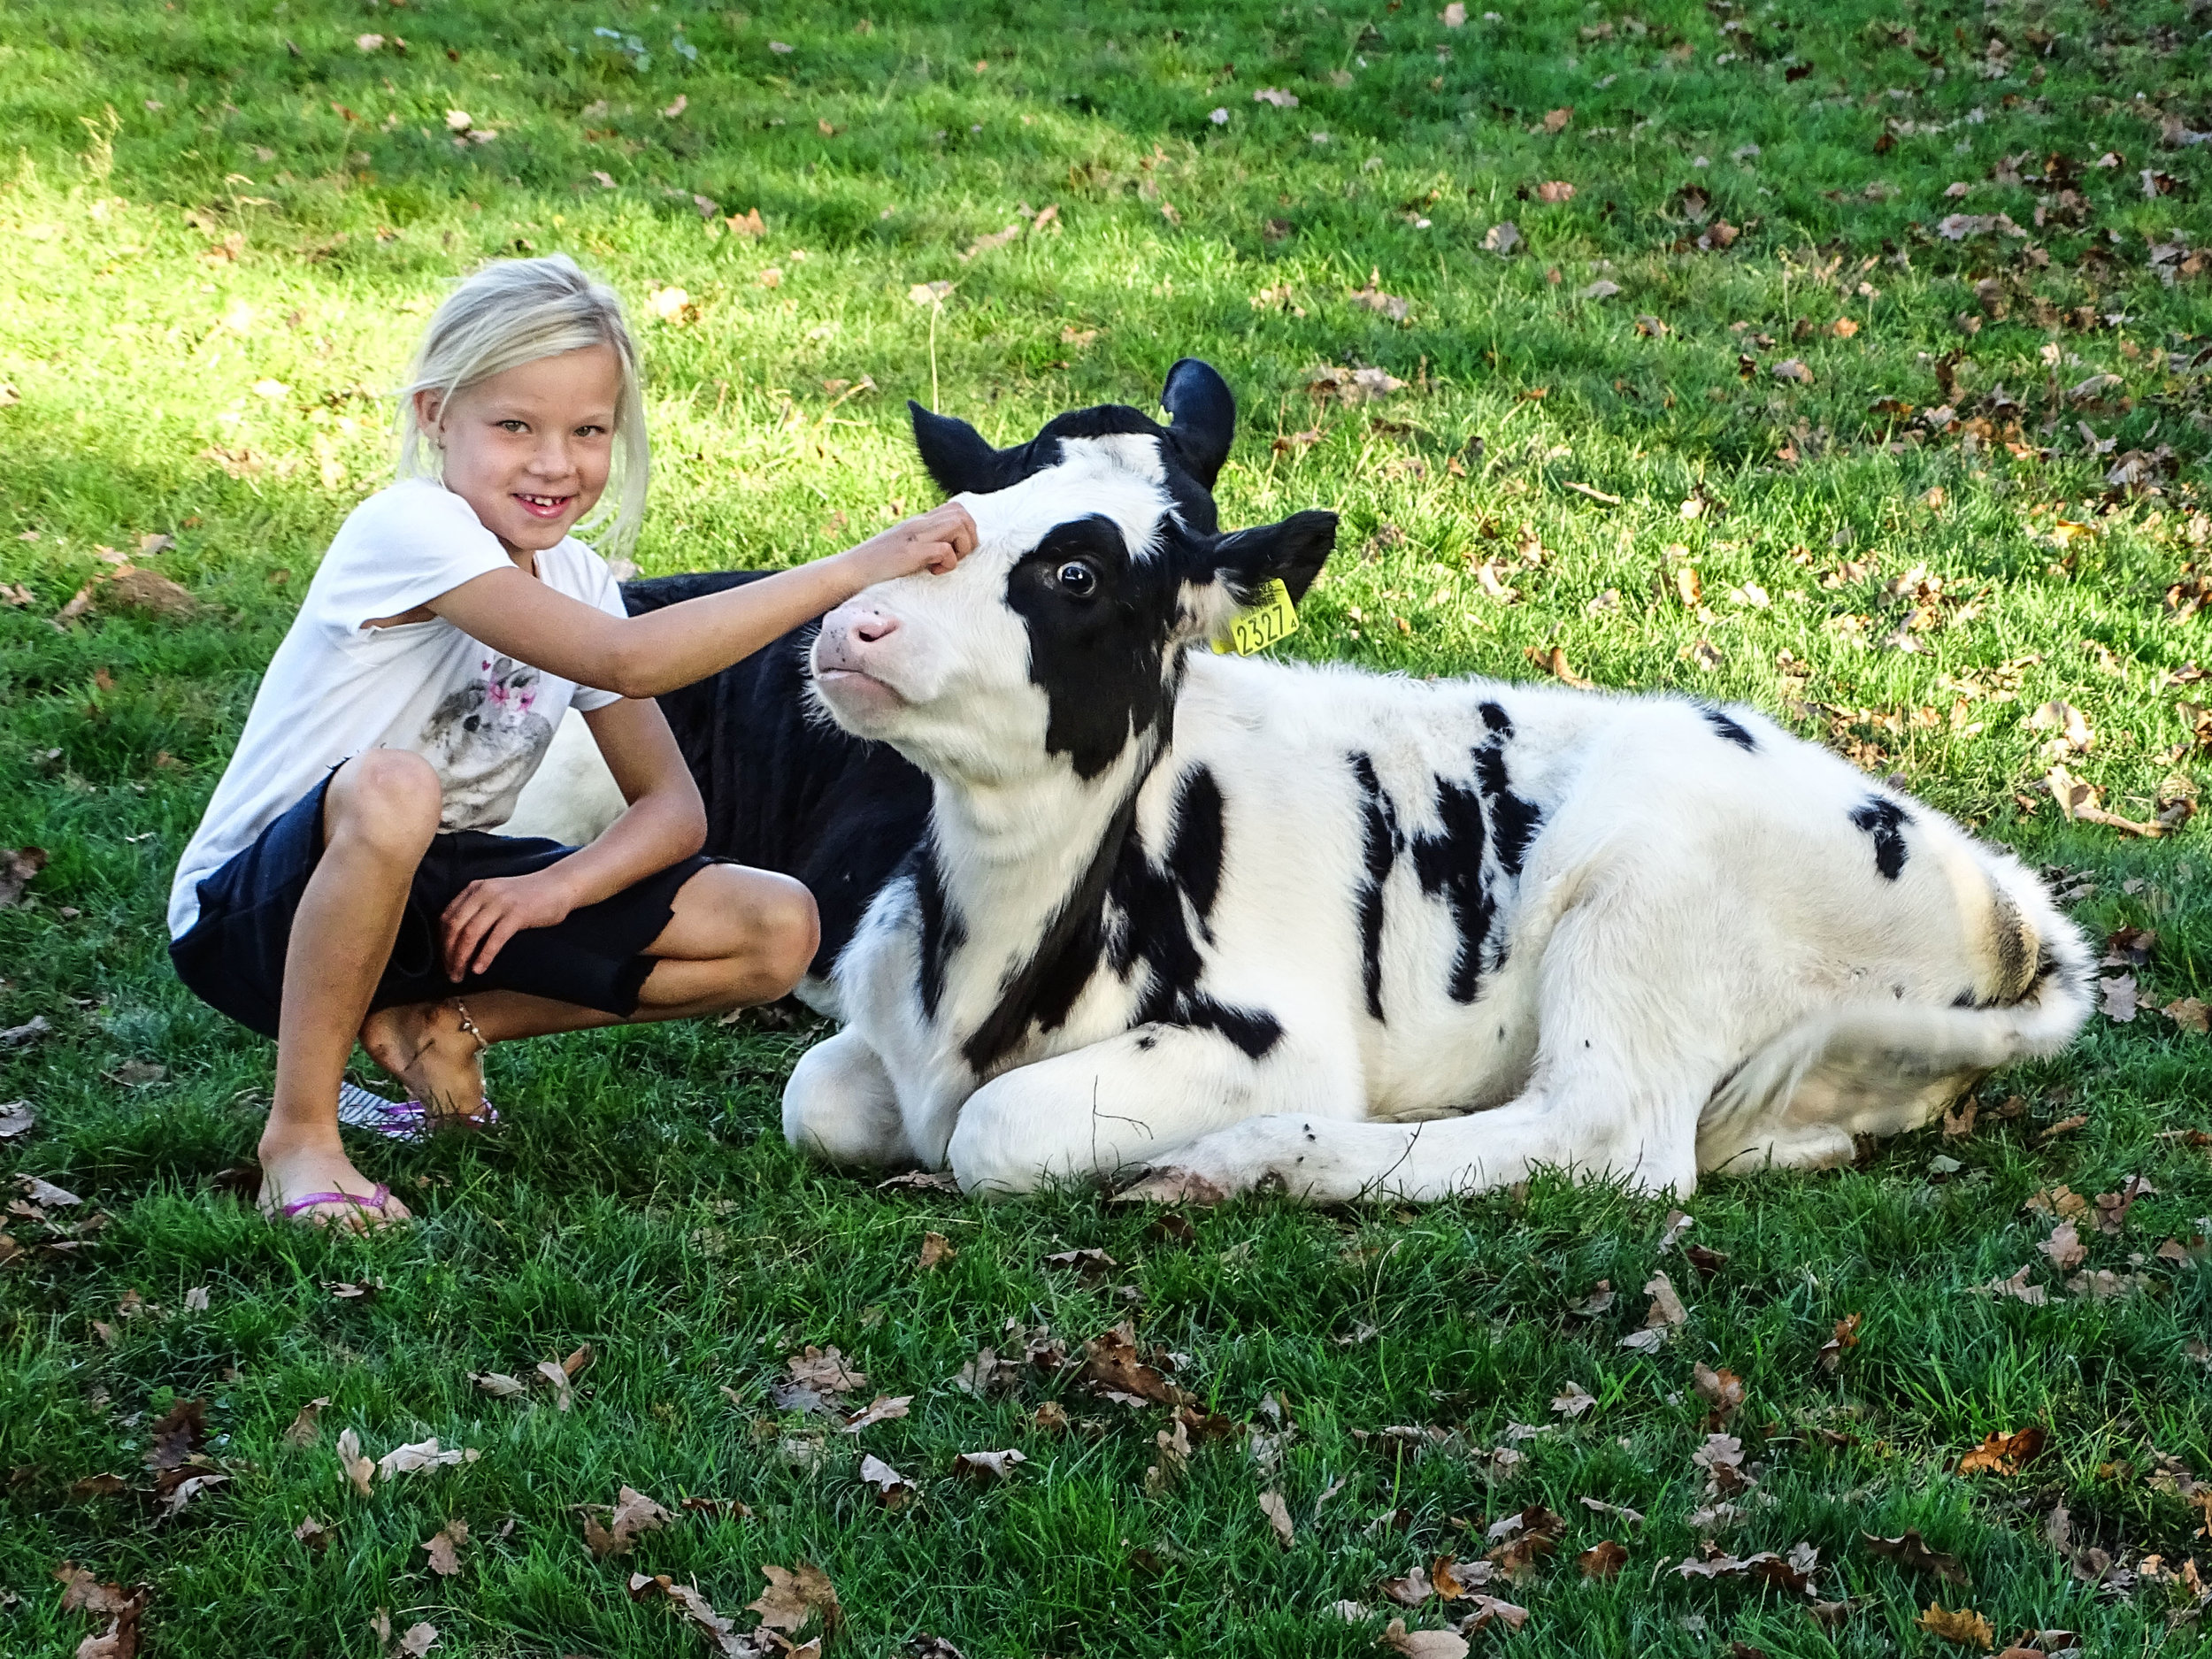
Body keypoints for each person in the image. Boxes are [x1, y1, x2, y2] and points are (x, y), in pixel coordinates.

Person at [165, 255, 976, 1226]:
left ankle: (437, 1027)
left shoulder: (579, 578)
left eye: (588, 432)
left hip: (440, 893)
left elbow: (674, 812)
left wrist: (558, 886)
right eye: (515, 426)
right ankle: (299, 1139)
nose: (555, 463)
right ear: (435, 418)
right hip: (253, 913)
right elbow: (629, 657)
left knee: (776, 925)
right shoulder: (407, 527)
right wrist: (850, 570)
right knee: (392, 788)